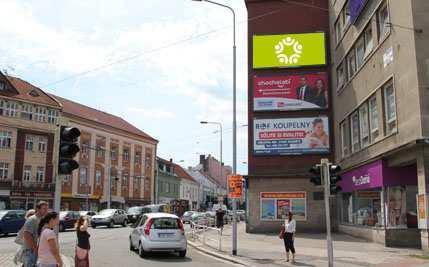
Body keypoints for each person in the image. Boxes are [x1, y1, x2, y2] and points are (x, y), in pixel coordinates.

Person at [21, 201, 49, 267]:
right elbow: (27, 235)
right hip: (30, 251)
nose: (46, 211)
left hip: (36, 251)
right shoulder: (32, 219)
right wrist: (36, 249)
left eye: (47, 209)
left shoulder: (42, 219)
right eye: (44, 209)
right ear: (37, 209)